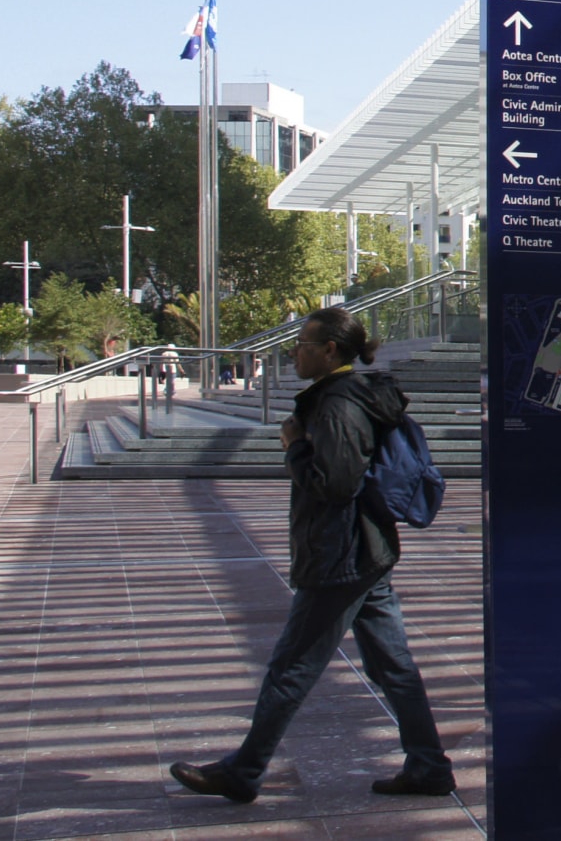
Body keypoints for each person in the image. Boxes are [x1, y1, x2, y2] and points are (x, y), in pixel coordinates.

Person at [169, 307, 452, 804]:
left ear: (329, 351)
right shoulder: (349, 397)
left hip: (340, 556)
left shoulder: (337, 405)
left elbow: (336, 484)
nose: (294, 350)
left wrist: (295, 446)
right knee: (394, 666)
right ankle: (428, 765)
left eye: (303, 343)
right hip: (367, 551)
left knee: (292, 666)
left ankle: (244, 771)